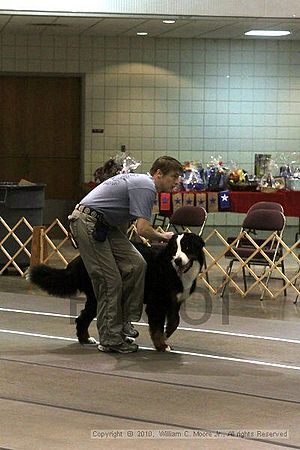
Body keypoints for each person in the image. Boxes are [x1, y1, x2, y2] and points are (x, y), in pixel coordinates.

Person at [68, 155, 183, 353]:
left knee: (137, 264)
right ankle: (111, 339)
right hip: (88, 222)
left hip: (105, 225)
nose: (176, 181)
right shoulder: (146, 187)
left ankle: (123, 322)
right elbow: (142, 230)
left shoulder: (141, 183)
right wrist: (163, 236)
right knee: (110, 281)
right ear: (158, 174)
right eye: (173, 176)